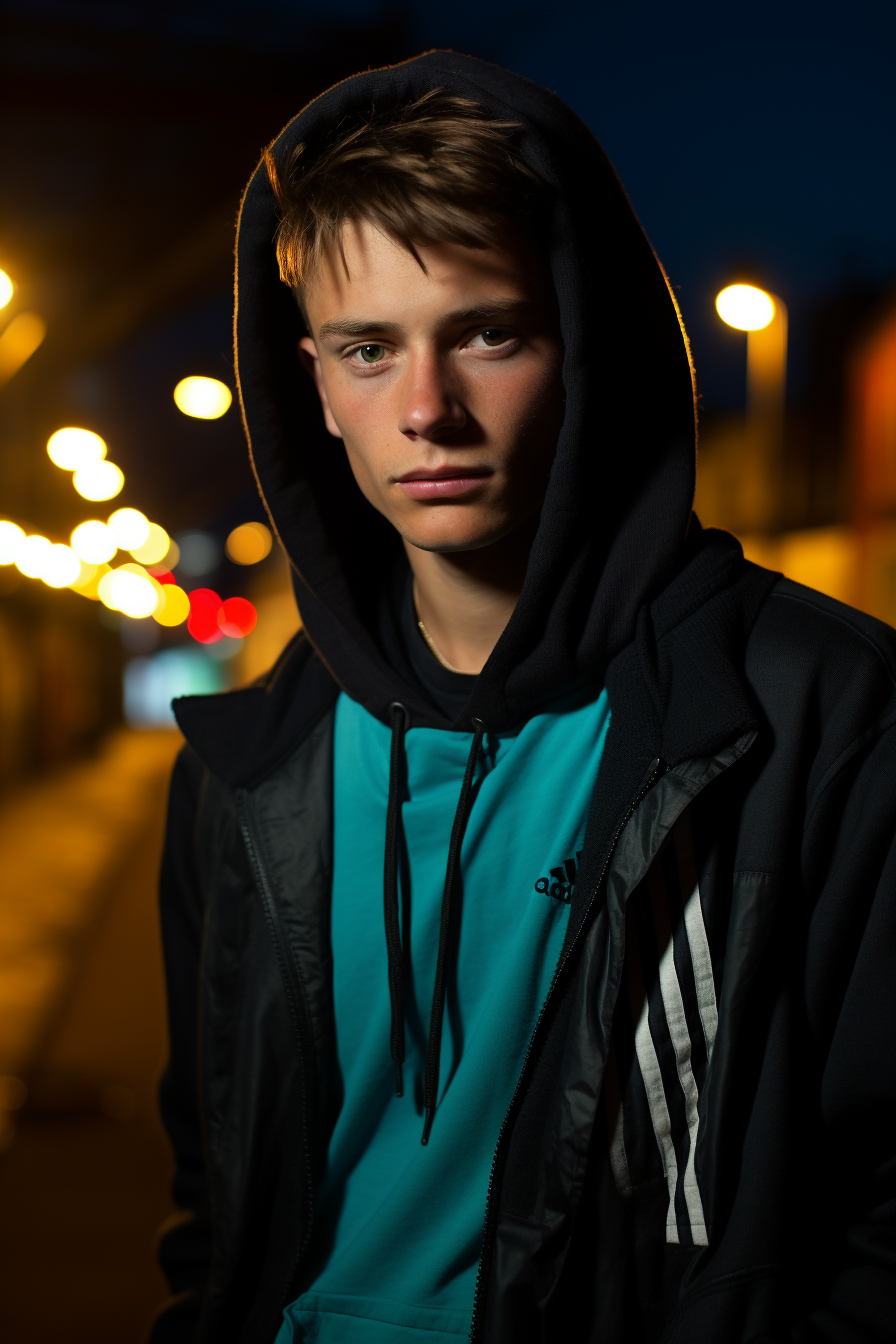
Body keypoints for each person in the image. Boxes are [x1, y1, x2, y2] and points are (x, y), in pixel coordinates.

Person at [149, 51, 895, 1344]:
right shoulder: (251, 765)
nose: (427, 410)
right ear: (314, 386)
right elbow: (217, 1187)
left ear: (584, 346)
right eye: (368, 349)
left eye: (488, 333)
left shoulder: (816, 710)